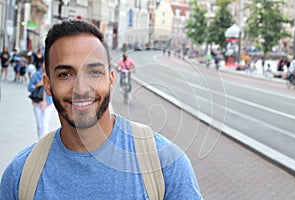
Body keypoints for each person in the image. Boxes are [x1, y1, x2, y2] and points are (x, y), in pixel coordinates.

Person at [0, 19, 202, 199]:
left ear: (111, 79)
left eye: (94, 72)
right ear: (47, 84)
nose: (80, 89)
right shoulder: (21, 176)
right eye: (65, 75)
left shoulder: (165, 165)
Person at [27, 61, 54, 139]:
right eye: (43, 63)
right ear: (41, 64)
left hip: (48, 103)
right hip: (37, 103)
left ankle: (43, 143)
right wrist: (37, 85)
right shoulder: (36, 75)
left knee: (45, 124)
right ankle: (40, 141)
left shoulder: (51, 75)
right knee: (39, 125)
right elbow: (29, 87)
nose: (45, 65)